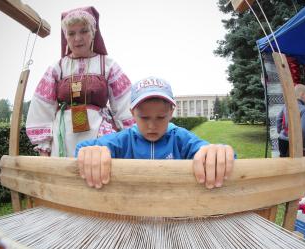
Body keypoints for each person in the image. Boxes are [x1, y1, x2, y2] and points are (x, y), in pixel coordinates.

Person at [76, 76, 235, 189]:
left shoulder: (181, 138)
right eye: (144, 117)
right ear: (132, 113)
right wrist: (92, 152)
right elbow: (81, 149)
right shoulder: (123, 140)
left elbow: (213, 154)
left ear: (171, 112)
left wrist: (216, 151)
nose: (152, 125)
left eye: (160, 117)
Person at [26, 6, 134, 157]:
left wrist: (130, 139)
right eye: (71, 33)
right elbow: (42, 108)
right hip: (62, 139)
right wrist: (44, 147)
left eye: (84, 31)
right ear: (65, 36)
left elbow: (125, 105)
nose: (77, 38)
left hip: (99, 139)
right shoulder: (57, 68)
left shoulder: (108, 65)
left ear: (93, 32)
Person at [276, 84, 305, 157]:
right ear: (302, 95)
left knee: (283, 161)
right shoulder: (304, 109)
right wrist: (302, 142)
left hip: (282, 139)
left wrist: (279, 131)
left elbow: (278, 119)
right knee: (293, 164)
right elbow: (303, 129)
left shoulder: (286, 105)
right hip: (294, 142)